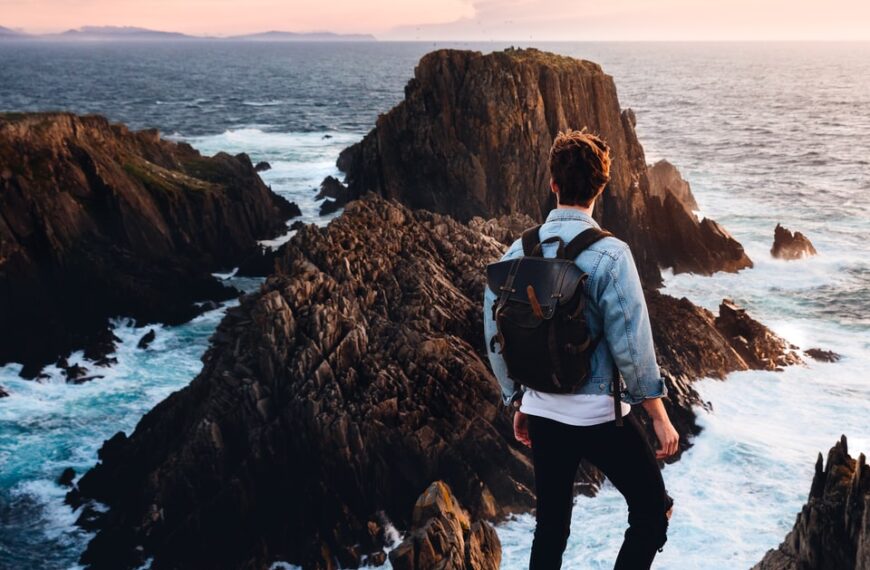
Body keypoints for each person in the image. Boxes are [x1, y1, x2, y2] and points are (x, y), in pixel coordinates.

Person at [483, 130, 679, 570]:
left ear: (553, 183)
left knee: (551, 527)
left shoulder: (518, 251)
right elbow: (632, 344)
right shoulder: (611, 255)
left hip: (543, 412)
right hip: (599, 417)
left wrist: (518, 399)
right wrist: (659, 417)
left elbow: (497, 335)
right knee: (652, 510)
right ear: (600, 189)